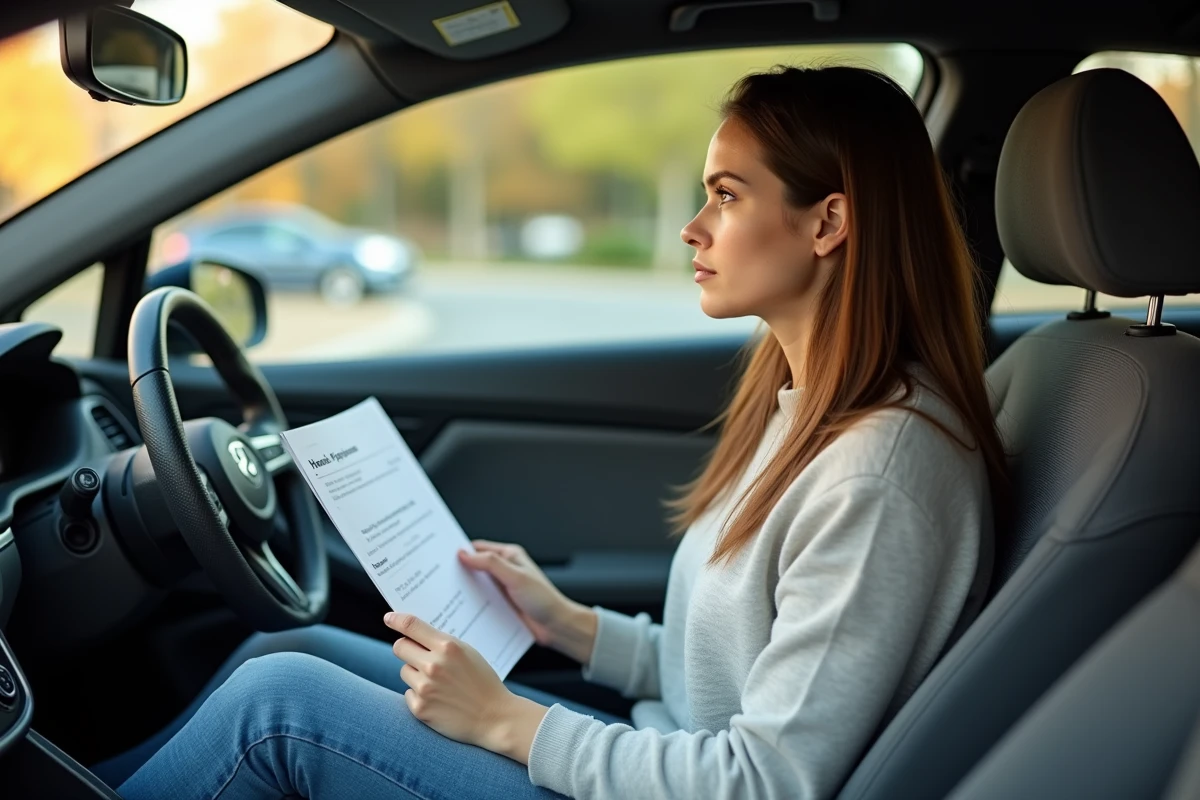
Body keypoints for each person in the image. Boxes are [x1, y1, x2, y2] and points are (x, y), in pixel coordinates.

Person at [99, 64, 1005, 799]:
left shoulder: (877, 473)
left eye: (727, 196)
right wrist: (568, 625)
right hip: (656, 757)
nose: (693, 229)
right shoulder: (806, 410)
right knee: (288, 649)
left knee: (279, 708)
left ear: (829, 222)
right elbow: (726, 679)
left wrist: (505, 720)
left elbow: (765, 779)